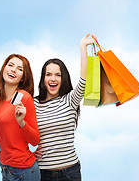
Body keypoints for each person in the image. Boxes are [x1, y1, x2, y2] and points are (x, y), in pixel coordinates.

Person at [33, 34, 96, 181]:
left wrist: (83, 47)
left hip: (70, 172)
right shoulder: (33, 103)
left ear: (63, 78)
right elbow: (19, 131)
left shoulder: (70, 100)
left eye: (58, 75)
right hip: (42, 173)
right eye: (48, 74)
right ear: (43, 79)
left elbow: (84, 80)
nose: (53, 78)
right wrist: (29, 153)